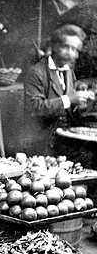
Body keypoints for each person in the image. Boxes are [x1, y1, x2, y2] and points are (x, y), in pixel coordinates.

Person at [23, 24, 94, 165]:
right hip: (43, 143)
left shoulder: (68, 71)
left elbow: (68, 106)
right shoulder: (37, 72)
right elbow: (33, 107)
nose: (71, 54)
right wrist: (69, 99)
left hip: (64, 140)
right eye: (66, 47)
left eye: (75, 50)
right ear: (54, 46)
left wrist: (80, 103)